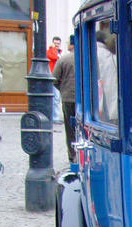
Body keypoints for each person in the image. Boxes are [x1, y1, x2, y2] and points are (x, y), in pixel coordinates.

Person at [53, 35, 76, 163]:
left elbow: (54, 78)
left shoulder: (64, 59)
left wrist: (62, 89)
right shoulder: (86, 57)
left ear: (71, 44)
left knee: (69, 129)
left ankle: (72, 155)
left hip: (68, 98)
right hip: (84, 100)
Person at [47, 36, 63, 124]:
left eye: (58, 44)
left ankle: (56, 116)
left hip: (59, 78)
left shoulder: (60, 53)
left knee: (57, 99)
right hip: (53, 77)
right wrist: (53, 48)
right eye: (55, 43)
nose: (57, 45)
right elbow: (53, 57)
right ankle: (55, 117)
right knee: (55, 98)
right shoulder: (51, 51)